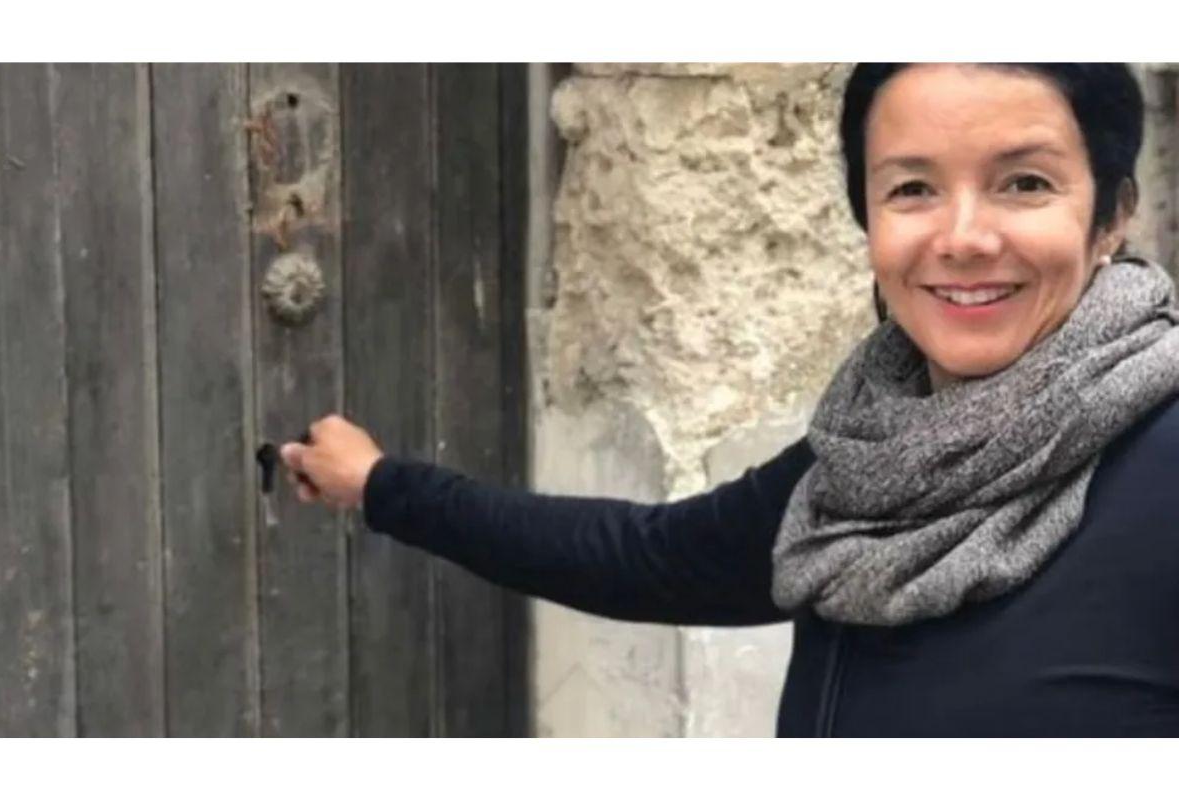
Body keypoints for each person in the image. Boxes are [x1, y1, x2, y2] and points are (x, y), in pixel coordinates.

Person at [279, 63, 1179, 736]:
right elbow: (645, 557)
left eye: (1025, 183)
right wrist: (383, 484)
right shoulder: (862, 463)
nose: (964, 237)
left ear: (1112, 216)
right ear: (869, 221)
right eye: (912, 189)